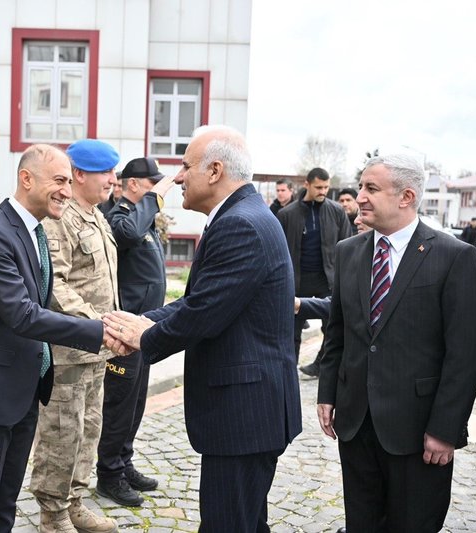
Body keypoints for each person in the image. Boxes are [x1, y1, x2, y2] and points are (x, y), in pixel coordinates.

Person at [104, 125, 302, 533]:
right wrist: (143, 322)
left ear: (214, 171)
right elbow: (201, 301)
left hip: (244, 413)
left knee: (228, 523)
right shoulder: (240, 215)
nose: (177, 177)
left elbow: (204, 312)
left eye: (185, 166)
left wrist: (143, 337)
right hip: (247, 410)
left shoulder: (240, 224)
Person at [0, 144, 123, 533]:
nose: (66, 190)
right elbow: (22, 314)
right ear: (26, 179)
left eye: (68, 181)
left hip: (26, 384)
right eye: (59, 181)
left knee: (5, 498)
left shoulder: (33, 230)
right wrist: (102, 332)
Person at [317, 154, 476, 533]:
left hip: (418, 431)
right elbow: (338, 332)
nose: (359, 196)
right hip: (357, 424)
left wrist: (446, 429)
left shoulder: (454, 257)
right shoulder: (349, 252)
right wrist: (327, 393)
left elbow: (466, 355)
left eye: (371, 189)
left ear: (406, 196)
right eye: (361, 186)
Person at [30, 139, 121, 533]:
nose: (113, 181)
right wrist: (95, 324)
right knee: (61, 434)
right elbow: (56, 285)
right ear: (79, 175)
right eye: (106, 173)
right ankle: (52, 515)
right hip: (69, 350)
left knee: (89, 430)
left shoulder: (95, 216)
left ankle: (75, 503)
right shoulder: (59, 219)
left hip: (95, 352)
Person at [96, 156, 175, 506]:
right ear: (132, 185)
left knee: (136, 402)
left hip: (143, 328)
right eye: (150, 185)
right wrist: (154, 199)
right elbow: (126, 234)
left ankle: (123, 461)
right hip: (124, 331)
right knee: (119, 403)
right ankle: (108, 474)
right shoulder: (118, 216)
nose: (156, 192)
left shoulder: (143, 216)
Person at [277, 167, 351, 377]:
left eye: (326, 187)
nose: (323, 191)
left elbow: (346, 246)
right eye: (318, 187)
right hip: (296, 280)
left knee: (333, 327)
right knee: (291, 331)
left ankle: (323, 365)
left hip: (327, 279)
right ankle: (287, 372)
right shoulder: (286, 214)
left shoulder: (336, 212)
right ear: (307, 185)